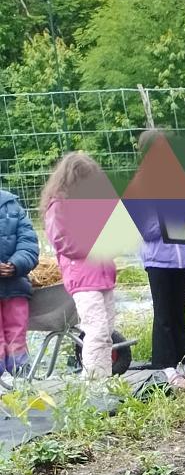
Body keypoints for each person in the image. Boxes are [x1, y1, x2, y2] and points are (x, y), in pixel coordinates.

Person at [40, 152, 119, 381]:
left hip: (103, 275)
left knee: (106, 334)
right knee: (96, 332)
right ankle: (93, 384)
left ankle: (104, 380)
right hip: (84, 278)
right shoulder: (59, 207)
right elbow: (65, 242)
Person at [132, 129, 185, 383]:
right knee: (164, 314)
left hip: (181, 259)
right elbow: (145, 229)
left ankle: (184, 363)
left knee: (179, 313)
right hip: (158, 259)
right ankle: (165, 367)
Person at [0, 177, 39, 376]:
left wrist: (16, 264)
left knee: (17, 337)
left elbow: (29, 243)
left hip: (15, 287)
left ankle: (21, 381)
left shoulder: (11, 207)